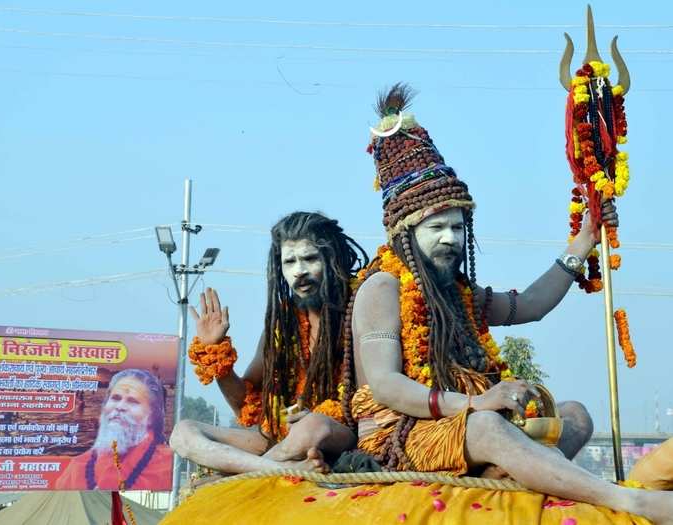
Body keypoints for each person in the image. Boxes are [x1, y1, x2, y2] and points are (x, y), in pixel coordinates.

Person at [344, 83, 673, 524]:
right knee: (485, 427)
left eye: (458, 228)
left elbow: (531, 305)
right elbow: (385, 385)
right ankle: (627, 500)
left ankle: (515, 470)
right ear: (404, 232)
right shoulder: (382, 288)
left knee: (573, 415)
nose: (450, 239)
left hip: (464, 424)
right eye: (436, 227)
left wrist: (584, 241)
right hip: (399, 437)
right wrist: (473, 405)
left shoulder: (455, 293)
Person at [170, 211, 368, 474]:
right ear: (280, 268)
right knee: (183, 433)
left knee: (313, 427)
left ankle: (248, 474)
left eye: (310, 258)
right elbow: (246, 406)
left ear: (332, 259)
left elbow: (372, 400)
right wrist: (216, 352)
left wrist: (315, 417)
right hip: (279, 439)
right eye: (290, 262)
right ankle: (277, 468)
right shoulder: (282, 322)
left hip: (336, 433)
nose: (300, 271)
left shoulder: (361, 304)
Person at [55, 368, 172, 490]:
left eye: (133, 401)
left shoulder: (169, 466)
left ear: (153, 413)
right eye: (115, 398)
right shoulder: (78, 467)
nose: (120, 406)